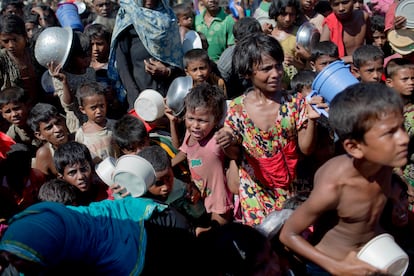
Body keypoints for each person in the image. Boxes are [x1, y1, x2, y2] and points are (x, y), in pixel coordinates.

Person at [279, 83, 409, 275]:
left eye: (402, 127)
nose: (404, 139)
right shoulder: (335, 186)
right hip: (329, 267)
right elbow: (288, 234)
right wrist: (336, 267)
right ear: (354, 147)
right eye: (389, 133)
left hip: (373, 255)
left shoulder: (385, 163)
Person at [215, 33, 321, 226]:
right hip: (256, 192)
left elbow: (306, 149)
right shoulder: (238, 109)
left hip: (292, 190)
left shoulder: (294, 103)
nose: (276, 73)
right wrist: (227, 142)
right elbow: (235, 153)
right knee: (263, 244)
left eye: (278, 65)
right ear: (248, 73)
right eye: (266, 69)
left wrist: (312, 120)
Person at [0, 197, 198, 275]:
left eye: (17, 258)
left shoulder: (119, 259)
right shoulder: (62, 221)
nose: (9, 261)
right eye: (5, 254)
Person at [173, 83, 234, 225]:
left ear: (217, 119)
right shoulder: (191, 133)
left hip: (219, 201)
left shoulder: (217, 140)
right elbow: (184, 152)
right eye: (191, 118)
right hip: (200, 194)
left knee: (217, 237)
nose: (195, 125)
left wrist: (229, 135)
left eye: (202, 121)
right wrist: (167, 167)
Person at [109, 0, 183, 111]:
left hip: (168, 92)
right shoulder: (128, 16)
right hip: (140, 91)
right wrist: (135, 96)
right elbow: (122, 64)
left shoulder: (168, 17)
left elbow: (177, 57)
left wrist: (168, 71)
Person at [49, 30, 96, 133]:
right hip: (77, 123)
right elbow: (68, 105)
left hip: (94, 117)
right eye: (82, 57)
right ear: (71, 57)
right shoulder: (61, 75)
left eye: (89, 55)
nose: (87, 60)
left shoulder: (90, 72)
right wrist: (64, 82)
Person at [385, 58, 414, 200]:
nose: (411, 82)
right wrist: (406, 184)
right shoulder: (387, 112)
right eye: (405, 79)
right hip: (404, 177)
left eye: (413, 78)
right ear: (390, 83)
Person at [216, 16, 262, 99]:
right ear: (237, 42)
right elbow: (222, 89)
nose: (253, 47)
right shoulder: (227, 63)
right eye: (248, 44)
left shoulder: (266, 52)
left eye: (256, 41)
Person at [54, 141, 113, 205]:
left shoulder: (108, 191)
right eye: (72, 172)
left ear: (92, 167)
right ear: (61, 177)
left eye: (84, 169)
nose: (81, 176)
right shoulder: (64, 204)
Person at [0, 14, 40, 106]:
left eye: (15, 39)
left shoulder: (36, 52)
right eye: (5, 41)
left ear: (24, 36)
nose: (11, 45)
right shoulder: (2, 60)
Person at [75, 82, 116, 164]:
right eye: (93, 108)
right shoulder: (81, 135)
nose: (99, 111)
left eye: (102, 106)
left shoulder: (114, 126)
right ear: (83, 110)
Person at [28, 103, 71, 178]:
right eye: (49, 128)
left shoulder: (79, 138)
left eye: (58, 122)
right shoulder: (45, 154)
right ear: (40, 135)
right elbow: (45, 185)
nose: (58, 129)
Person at [0, 143, 45, 211]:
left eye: (26, 162)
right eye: (16, 164)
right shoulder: (1, 184)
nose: (21, 167)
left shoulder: (37, 177)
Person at [0, 86, 40, 154]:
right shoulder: (13, 132)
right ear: (3, 114)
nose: (14, 114)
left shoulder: (41, 120)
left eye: (17, 108)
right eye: (8, 112)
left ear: (27, 105)